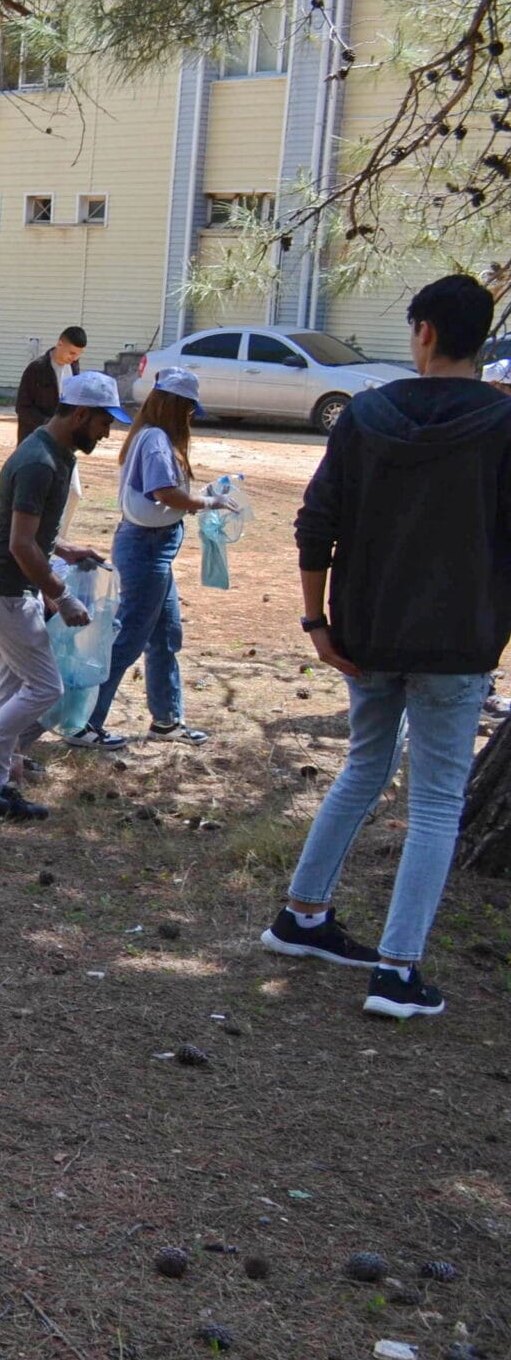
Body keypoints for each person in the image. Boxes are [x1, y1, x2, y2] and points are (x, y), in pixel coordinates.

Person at [259, 272, 511, 1021]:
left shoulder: (366, 415)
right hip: (455, 642)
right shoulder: (501, 426)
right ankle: (397, 972)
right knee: (436, 802)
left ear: (424, 332)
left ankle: (303, 915)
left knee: (365, 766)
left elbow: (316, 522)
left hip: (365, 632)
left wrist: (316, 622)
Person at [0, 372, 119, 822]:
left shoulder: (55, 454)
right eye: (102, 421)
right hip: (5, 593)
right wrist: (61, 595)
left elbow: (22, 532)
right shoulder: (40, 461)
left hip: (5, 589)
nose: (107, 432)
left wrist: (63, 546)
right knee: (45, 688)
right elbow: (19, 545)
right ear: (80, 413)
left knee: (11, 690)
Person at [73, 367, 233, 749]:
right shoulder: (157, 439)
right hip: (147, 547)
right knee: (128, 637)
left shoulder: (151, 437)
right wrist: (209, 501)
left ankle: (166, 719)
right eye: (189, 409)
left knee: (165, 636)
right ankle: (85, 723)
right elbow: (165, 493)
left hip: (152, 545)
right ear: (177, 405)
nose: (191, 418)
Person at [15, 326, 88, 441]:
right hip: (35, 439)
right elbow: (22, 407)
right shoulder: (36, 369)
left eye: (79, 355)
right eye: (72, 353)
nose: (74, 358)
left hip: (63, 440)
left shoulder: (74, 366)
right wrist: (49, 425)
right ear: (60, 344)